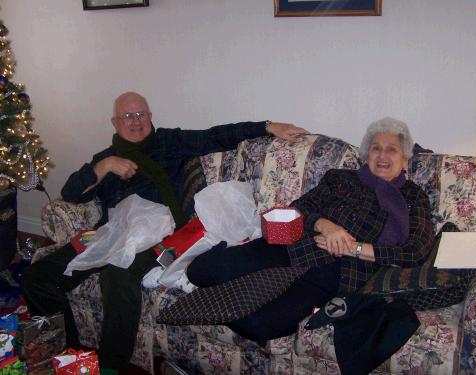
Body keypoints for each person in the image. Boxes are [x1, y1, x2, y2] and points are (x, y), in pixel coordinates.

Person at [20, 91, 308, 374]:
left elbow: (215, 135)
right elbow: (71, 192)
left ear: (150, 117)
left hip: (162, 233)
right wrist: (106, 166)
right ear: (114, 122)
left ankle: (109, 367)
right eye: (127, 116)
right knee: (38, 278)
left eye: (140, 114)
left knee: (118, 274)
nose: (135, 121)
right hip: (110, 232)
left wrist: (268, 127)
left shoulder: (168, 142)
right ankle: (69, 357)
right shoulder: (106, 157)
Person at [169, 116, 435, 347]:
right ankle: (243, 274)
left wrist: (352, 247)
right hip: (293, 246)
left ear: (405, 158)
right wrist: (327, 226)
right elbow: (300, 208)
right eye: (376, 148)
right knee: (200, 270)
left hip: (338, 273)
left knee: (259, 326)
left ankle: (241, 290)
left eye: (392, 150)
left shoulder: (414, 198)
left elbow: (416, 253)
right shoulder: (341, 178)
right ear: (367, 155)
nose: (383, 155)